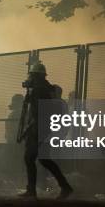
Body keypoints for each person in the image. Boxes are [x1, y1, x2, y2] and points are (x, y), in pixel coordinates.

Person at [19, 62, 73, 199]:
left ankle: (32, 190)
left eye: (31, 75)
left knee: (29, 158)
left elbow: (38, 113)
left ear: (35, 76)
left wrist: (30, 129)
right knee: (44, 159)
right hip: (46, 128)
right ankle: (65, 187)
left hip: (39, 129)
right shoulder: (47, 88)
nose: (28, 78)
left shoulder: (38, 90)